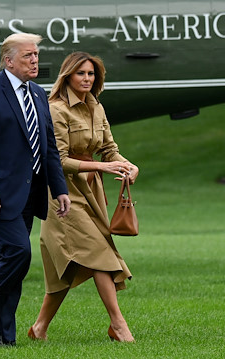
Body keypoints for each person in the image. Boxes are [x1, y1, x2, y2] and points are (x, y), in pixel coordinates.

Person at [0, 33, 71, 347]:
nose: (35, 61)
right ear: (9, 60)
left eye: (36, 55)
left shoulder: (37, 92)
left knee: (12, 259)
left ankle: (1, 334)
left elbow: (48, 145)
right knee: (20, 251)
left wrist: (59, 188)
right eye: (27, 56)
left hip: (28, 192)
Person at [27, 52, 139, 343]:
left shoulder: (96, 107)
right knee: (99, 253)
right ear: (68, 76)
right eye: (81, 74)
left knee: (63, 270)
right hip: (61, 193)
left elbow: (110, 149)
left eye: (91, 74)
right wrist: (102, 166)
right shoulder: (56, 109)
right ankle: (118, 324)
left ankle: (39, 328)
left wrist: (129, 165)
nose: (87, 79)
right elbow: (59, 159)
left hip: (91, 193)